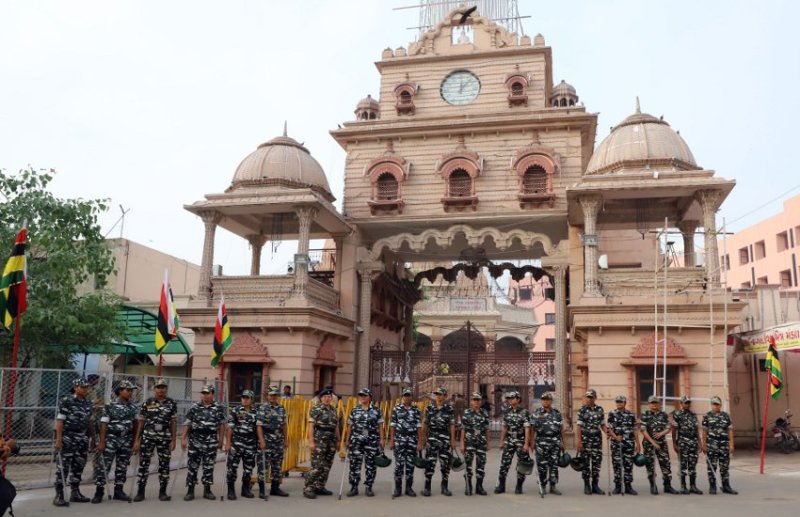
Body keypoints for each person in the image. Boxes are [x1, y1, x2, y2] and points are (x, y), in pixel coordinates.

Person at [91, 379, 139, 503]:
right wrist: (102, 442)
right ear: (119, 391)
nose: (130, 393)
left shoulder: (133, 407)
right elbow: (103, 424)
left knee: (122, 466)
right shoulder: (110, 405)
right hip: (111, 439)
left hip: (126, 439)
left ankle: (119, 490)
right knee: (104, 466)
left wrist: (135, 442)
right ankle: (99, 491)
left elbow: (135, 425)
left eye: (131, 391)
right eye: (127, 390)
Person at [133, 377, 177, 502]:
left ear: (166, 389)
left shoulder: (171, 403)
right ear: (154, 389)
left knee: (164, 464)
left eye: (163, 387)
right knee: (144, 464)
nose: (161, 389)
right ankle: (140, 492)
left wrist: (174, 440)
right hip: (148, 437)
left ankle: (162, 492)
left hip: (164, 437)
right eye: (158, 387)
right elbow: (141, 422)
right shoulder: (148, 402)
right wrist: (137, 440)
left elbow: (173, 422)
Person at [53, 377, 95, 507]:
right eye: (82, 387)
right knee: (63, 466)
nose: (85, 389)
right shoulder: (67, 401)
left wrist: (93, 438)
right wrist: (59, 440)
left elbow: (89, 422)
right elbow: (60, 421)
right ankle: (59, 495)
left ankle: (75, 492)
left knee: (79, 465)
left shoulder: (88, 403)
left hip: (82, 438)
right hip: (68, 437)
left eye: (86, 387)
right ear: (75, 388)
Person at [181, 384, 225, 501]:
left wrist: (221, 440)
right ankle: (190, 491)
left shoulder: (218, 407)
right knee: (192, 466)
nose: (205, 395)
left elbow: (221, 425)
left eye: (207, 393)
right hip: (195, 440)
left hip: (211, 440)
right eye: (203, 393)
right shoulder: (194, 407)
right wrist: (183, 438)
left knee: (209, 466)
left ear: (212, 394)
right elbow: (187, 423)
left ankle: (207, 490)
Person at [344, 388, 384, 497]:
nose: (362, 397)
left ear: (370, 397)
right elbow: (349, 425)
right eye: (360, 395)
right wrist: (347, 440)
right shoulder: (355, 410)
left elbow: (380, 425)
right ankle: (354, 487)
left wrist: (381, 439)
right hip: (356, 438)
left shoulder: (376, 410)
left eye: (364, 395)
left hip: (371, 438)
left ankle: (369, 487)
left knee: (371, 464)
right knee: (355, 464)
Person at [303, 387, 339, 499]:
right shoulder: (316, 409)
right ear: (321, 398)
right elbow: (311, 426)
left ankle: (320, 486)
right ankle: (308, 487)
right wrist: (311, 441)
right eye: (325, 397)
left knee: (327, 465)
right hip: (320, 439)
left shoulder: (333, 410)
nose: (328, 399)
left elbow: (336, 426)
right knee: (317, 465)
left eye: (329, 397)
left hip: (331, 440)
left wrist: (338, 440)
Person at [388, 387, 423, 498]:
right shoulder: (396, 409)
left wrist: (420, 442)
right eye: (405, 395)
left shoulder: (416, 410)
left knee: (410, 465)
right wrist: (392, 440)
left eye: (409, 395)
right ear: (402, 397)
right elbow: (393, 425)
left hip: (412, 440)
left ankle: (409, 488)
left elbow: (419, 426)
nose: (407, 397)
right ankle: (398, 488)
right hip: (399, 440)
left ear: (412, 397)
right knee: (399, 465)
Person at [530, 391, 566, 495]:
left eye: (547, 399)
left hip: (555, 443)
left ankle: (553, 486)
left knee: (554, 465)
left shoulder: (557, 413)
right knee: (542, 466)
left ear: (551, 401)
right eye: (543, 399)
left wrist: (564, 443)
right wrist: (531, 442)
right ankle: (543, 485)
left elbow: (561, 429)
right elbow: (532, 429)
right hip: (541, 443)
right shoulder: (536, 413)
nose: (545, 401)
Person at [421, 387, 455, 496]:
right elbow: (425, 424)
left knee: (445, 463)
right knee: (430, 462)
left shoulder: (449, 409)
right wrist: (422, 439)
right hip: (432, 438)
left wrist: (453, 440)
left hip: (444, 438)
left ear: (445, 396)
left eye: (440, 394)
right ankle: (427, 487)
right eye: (437, 394)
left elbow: (452, 425)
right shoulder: (430, 408)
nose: (438, 396)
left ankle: (444, 486)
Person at [225, 390, 259, 500]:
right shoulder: (235, 410)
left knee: (248, 468)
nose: (245, 399)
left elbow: (258, 428)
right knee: (232, 467)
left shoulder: (256, 412)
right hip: (237, 443)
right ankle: (231, 490)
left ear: (252, 399)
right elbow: (230, 427)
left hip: (250, 444)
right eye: (243, 397)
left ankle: (245, 489)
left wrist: (260, 441)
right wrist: (228, 443)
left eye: (247, 397)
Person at [495, 391, 531, 495]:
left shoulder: (524, 412)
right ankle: (501, 485)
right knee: (504, 463)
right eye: (509, 398)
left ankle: (519, 486)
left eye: (513, 398)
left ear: (518, 399)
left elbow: (527, 428)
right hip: (509, 440)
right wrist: (501, 441)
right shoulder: (507, 412)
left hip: (520, 440)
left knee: (522, 464)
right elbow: (505, 427)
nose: (510, 400)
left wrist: (526, 443)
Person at [640, 395, 677, 495]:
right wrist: (653, 442)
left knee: (666, 464)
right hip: (649, 444)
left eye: (655, 403)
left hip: (662, 444)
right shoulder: (645, 415)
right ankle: (653, 485)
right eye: (652, 403)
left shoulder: (664, 415)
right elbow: (643, 431)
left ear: (659, 404)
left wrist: (661, 433)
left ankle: (667, 486)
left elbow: (669, 427)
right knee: (650, 466)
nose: (654, 405)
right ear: (649, 404)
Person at [256, 385, 289, 498]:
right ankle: (262, 490)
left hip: (278, 441)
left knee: (277, 466)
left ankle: (275, 488)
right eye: (271, 395)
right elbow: (259, 426)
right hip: (266, 439)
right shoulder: (263, 408)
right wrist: (261, 440)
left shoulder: (281, 408)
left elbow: (284, 425)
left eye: (275, 394)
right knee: (263, 466)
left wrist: (286, 439)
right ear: (268, 396)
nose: (273, 396)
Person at [702, 396, 737, 495]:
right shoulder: (707, 416)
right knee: (711, 467)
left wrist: (731, 444)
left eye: (717, 404)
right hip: (712, 445)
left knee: (724, 467)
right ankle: (712, 486)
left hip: (724, 445)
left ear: (720, 405)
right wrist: (704, 445)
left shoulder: (726, 416)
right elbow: (704, 432)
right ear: (711, 405)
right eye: (713, 404)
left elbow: (730, 430)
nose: (715, 406)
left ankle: (726, 486)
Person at [576, 388, 607, 495]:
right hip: (585, 440)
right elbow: (579, 426)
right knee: (585, 463)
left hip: (597, 440)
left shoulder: (600, 409)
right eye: (587, 397)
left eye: (591, 397)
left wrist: (607, 432)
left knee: (596, 463)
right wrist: (579, 441)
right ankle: (586, 485)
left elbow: (602, 424)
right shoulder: (582, 410)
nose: (589, 399)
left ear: (595, 398)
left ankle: (595, 485)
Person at [606, 395, 639, 495]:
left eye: (621, 402)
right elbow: (610, 429)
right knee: (617, 465)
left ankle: (628, 486)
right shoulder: (612, 414)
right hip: (616, 443)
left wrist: (638, 443)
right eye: (617, 402)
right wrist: (616, 437)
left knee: (628, 465)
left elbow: (635, 429)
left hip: (629, 443)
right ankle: (618, 487)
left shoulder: (631, 414)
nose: (619, 403)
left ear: (625, 403)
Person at [672, 395, 703, 494]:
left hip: (693, 443)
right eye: (685, 403)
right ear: (681, 404)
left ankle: (693, 486)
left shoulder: (693, 415)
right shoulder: (677, 415)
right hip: (682, 443)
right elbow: (674, 430)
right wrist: (674, 444)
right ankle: (683, 486)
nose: (687, 404)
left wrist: (700, 443)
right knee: (683, 465)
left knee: (693, 465)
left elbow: (696, 430)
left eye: (688, 402)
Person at [460, 392, 490, 496]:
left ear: (480, 401)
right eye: (474, 400)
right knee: (468, 464)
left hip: (481, 441)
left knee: (481, 465)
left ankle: (479, 486)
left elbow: (487, 429)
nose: (476, 402)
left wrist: (488, 443)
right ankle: (468, 486)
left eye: (478, 400)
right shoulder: (467, 412)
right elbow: (463, 429)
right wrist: (462, 444)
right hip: (469, 441)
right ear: (471, 401)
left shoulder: (485, 413)